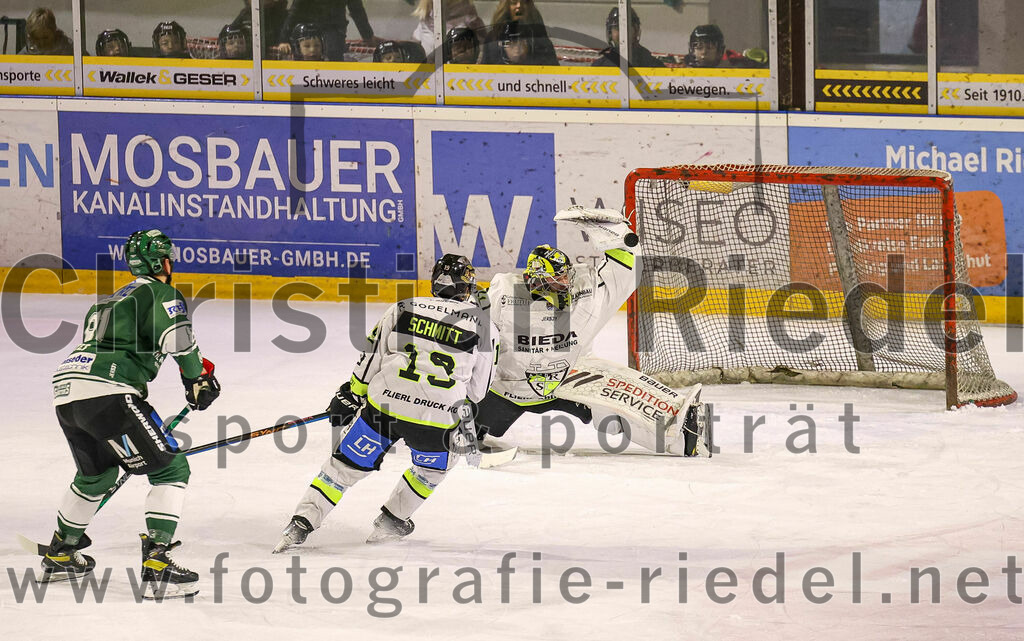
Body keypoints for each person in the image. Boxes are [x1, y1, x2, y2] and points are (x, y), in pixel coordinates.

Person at [273, 254, 498, 552]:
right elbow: (478, 390)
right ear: (467, 287)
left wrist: (351, 393)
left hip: (383, 408)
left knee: (341, 468)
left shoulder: (404, 307)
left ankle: (300, 523)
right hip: (437, 419)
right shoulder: (484, 325)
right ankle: (392, 520)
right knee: (431, 471)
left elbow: (371, 356)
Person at [43, 229, 221, 599]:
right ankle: (157, 564)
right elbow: (179, 340)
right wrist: (197, 380)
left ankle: (62, 553)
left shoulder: (107, 302)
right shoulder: (160, 293)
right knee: (171, 468)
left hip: (67, 392)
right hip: (110, 392)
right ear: (162, 262)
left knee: (97, 476)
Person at [277, 0, 381, 61]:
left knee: (333, 54)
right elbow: (294, 13)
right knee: (303, 48)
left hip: (334, 29)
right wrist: (283, 40)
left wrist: (367, 36)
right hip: (307, 28)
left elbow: (357, 10)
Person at [483, 0, 558, 65]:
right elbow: (482, 73)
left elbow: (554, 73)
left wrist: (526, 57)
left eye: (524, 2)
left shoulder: (539, 38)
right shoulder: (493, 38)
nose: (519, 6)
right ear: (506, 7)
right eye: (514, 2)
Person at [592, 6, 665, 68]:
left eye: (627, 27)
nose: (623, 33)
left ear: (636, 31)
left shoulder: (653, 65)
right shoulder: (599, 67)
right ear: (610, 33)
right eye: (617, 28)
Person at [411, 0, 485, 58]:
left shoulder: (469, 18)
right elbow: (413, 50)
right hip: (428, 73)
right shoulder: (426, 19)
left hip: (461, 74)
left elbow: (483, 50)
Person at [683, 23, 767, 68]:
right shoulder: (682, 71)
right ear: (692, 49)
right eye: (699, 47)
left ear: (720, 50)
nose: (704, 52)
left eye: (710, 47)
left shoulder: (734, 68)